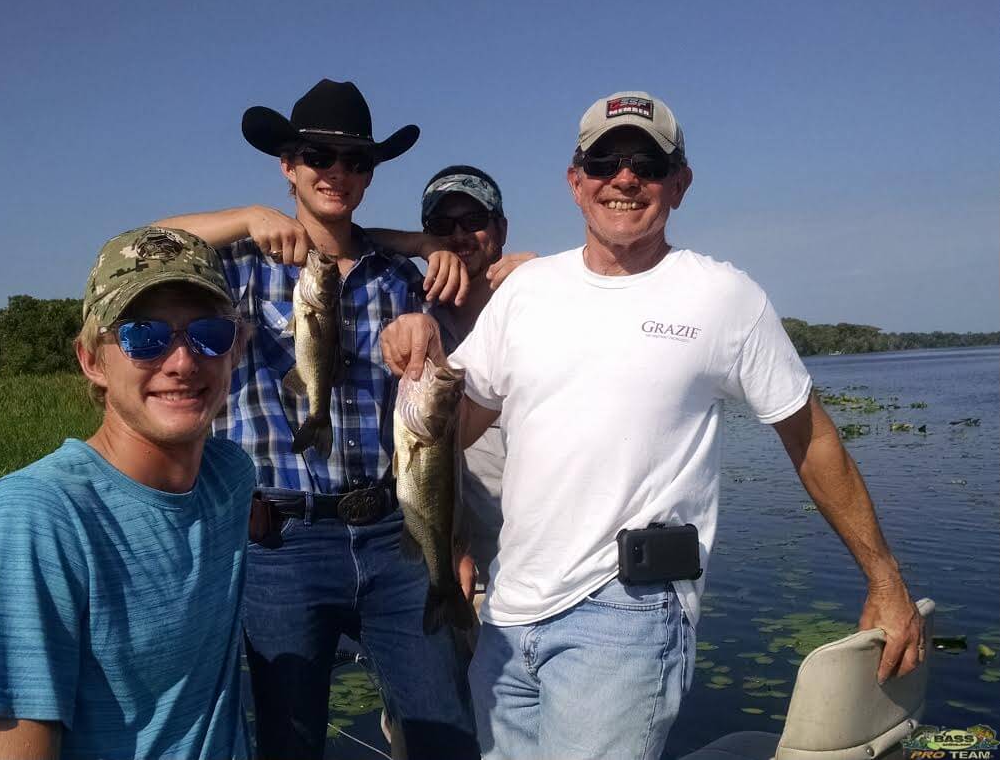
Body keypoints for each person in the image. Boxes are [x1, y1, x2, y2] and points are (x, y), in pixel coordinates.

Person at [379, 91, 925, 760]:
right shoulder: (525, 293)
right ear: (575, 180)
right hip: (507, 616)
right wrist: (420, 358)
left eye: (647, 161)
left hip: (627, 614)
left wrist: (884, 580)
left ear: (680, 182)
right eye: (603, 159)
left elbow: (810, 439)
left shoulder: (722, 296)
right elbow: (453, 427)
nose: (624, 176)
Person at [157, 79, 479, 760]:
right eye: (318, 155)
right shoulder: (235, 266)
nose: (336, 171)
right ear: (287, 165)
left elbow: (494, 289)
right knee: (289, 740)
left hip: (394, 530)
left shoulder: (400, 274)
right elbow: (141, 245)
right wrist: (245, 216)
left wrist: (429, 252)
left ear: (369, 174)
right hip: (281, 540)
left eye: (355, 160)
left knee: (441, 733)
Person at [0, 226, 256, 760]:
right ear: (91, 360)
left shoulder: (228, 477)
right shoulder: (25, 525)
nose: (181, 361)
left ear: (236, 348)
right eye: (144, 336)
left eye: (209, 334)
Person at [368, 165, 534, 602]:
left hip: (541, 564)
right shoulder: (417, 319)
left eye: (474, 222)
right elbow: (337, 240)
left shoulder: (539, 306)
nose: (460, 236)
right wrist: (421, 246)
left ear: (501, 229)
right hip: (458, 565)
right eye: (443, 226)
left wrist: (554, 275)